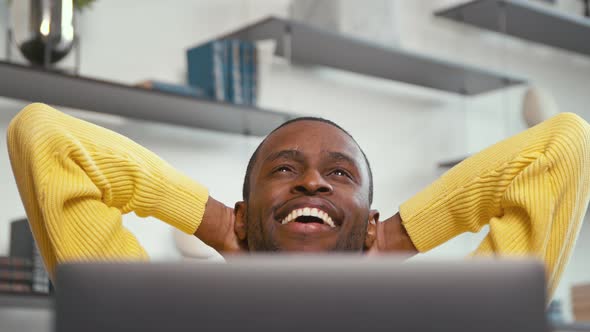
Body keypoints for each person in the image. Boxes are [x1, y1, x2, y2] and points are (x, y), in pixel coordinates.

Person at [7, 102, 590, 296]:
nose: (312, 182)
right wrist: (215, 222)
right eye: (284, 169)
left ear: (367, 223)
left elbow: (563, 147)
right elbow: (44, 138)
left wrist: (392, 238)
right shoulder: (164, 320)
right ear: (244, 212)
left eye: (340, 174)